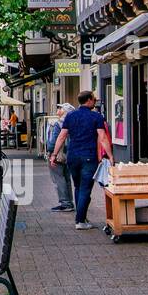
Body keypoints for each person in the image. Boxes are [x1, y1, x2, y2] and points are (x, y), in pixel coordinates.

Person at [50, 90, 111, 229]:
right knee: (85, 189)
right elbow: (102, 137)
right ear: (89, 100)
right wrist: (110, 156)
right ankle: (80, 221)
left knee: (78, 187)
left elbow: (62, 136)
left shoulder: (70, 116)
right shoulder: (96, 116)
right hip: (89, 156)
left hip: (73, 157)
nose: (95, 101)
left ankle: (81, 218)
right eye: (94, 99)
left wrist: (54, 155)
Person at [45, 103, 75, 212]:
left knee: (58, 178)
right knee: (66, 178)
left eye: (60, 108)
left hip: (58, 154)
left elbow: (54, 140)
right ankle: (69, 202)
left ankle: (65, 203)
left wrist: (50, 152)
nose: (58, 109)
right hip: (69, 153)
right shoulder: (73, 122)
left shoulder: (59, 123)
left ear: (65, 111)